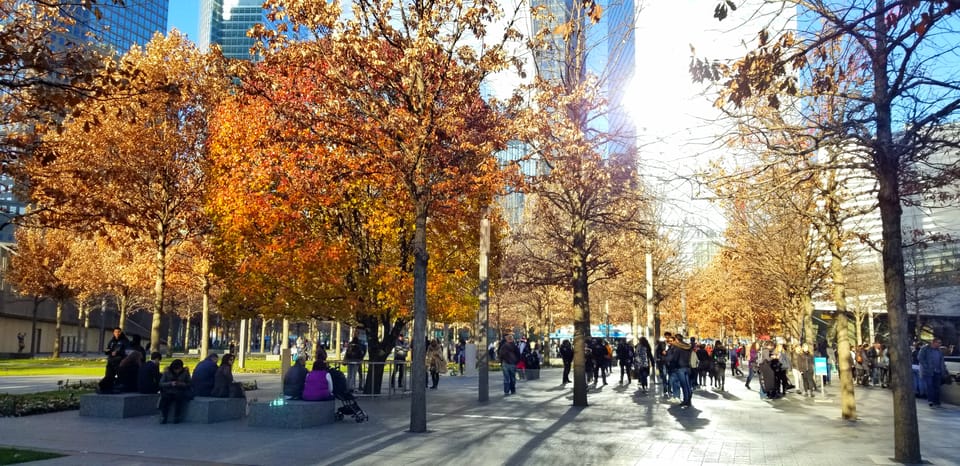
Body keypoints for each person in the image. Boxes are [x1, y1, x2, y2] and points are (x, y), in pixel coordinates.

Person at [159, 359, 192, 424]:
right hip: (168, 390)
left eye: (179, 369)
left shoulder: (185, 372)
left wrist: (182, 384)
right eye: (175, 369)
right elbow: (161, 383)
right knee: (165, 399)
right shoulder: (167, 372)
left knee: (179, 399)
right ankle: (164, 416)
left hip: (180, 390)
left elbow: (190, 383)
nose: (177, 371)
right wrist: (170, 383)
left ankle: (177, 416)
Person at [918, 338, 948, 408]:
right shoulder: (925, 349)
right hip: (929, 371)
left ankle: (937, 402)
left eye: (940, 343)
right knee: (930, 386)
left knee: (937, 387)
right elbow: (920, 358)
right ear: (933, 342)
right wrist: (926, 366)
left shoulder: (939, 351)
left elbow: (942, 361)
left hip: (938, 371)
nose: (940, 344)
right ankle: (930, 401)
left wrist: (944, 369)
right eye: (938, 342)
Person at [666, 333, 693, 407]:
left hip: (680, 368)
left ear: (677, 340)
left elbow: (675, 358)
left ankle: (686, 400)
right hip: (687, 367)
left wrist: (669, 361)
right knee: (687, 384)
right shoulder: (687, 347)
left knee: (684, 385)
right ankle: (689, 399)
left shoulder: (678, 348)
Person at [100, 328, 129, 393]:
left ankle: (120, 389)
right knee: (108, 376)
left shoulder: (125, 341)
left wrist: (118, 353)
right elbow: (108, 349)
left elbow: (127, 351)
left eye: (118, 332)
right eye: (115, 332)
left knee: (121, 377)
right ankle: (107, 388)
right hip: (111, 361)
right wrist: (108, 351)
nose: (117, 333)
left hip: (119, 362)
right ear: (113, 333)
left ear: (121, 332)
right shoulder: (112, 341)